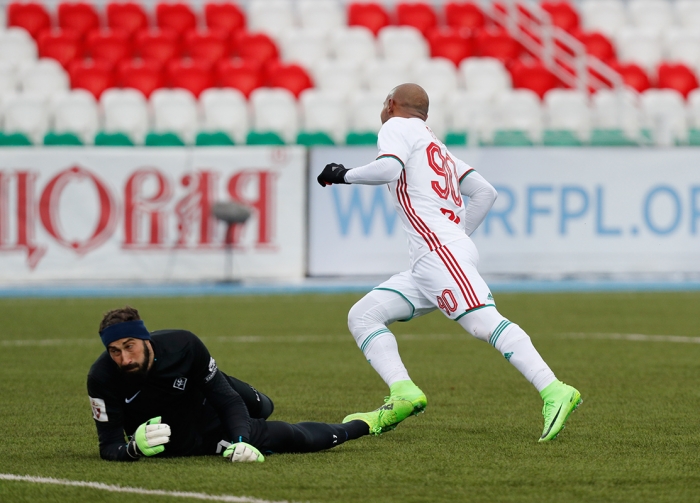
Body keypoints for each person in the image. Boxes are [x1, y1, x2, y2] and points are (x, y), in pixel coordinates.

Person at [317, 83, 582, 442]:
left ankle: (554, 389)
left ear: (392, 104)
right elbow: (485, 192)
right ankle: (403, 394)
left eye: (384, 104)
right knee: (363, 315)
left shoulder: (396, 126)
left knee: (482, 323)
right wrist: (459, 236)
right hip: (435, 256)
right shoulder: (435, 145)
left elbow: (387, 170)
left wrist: (341, 174)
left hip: (439, 251)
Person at [87, 306, 414, 462]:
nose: (124, 358)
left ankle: (366, 421)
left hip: (209, 403)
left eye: (129, 346)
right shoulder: (101, 378)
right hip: (189, 438)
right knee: (292, 436)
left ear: (146, 340)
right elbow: (109, 446)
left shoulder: (183, 345)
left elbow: (227, 400)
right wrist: (131, 449)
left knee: (260, 406)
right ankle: (365, 422)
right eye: (114, 351)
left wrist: (242, 440)